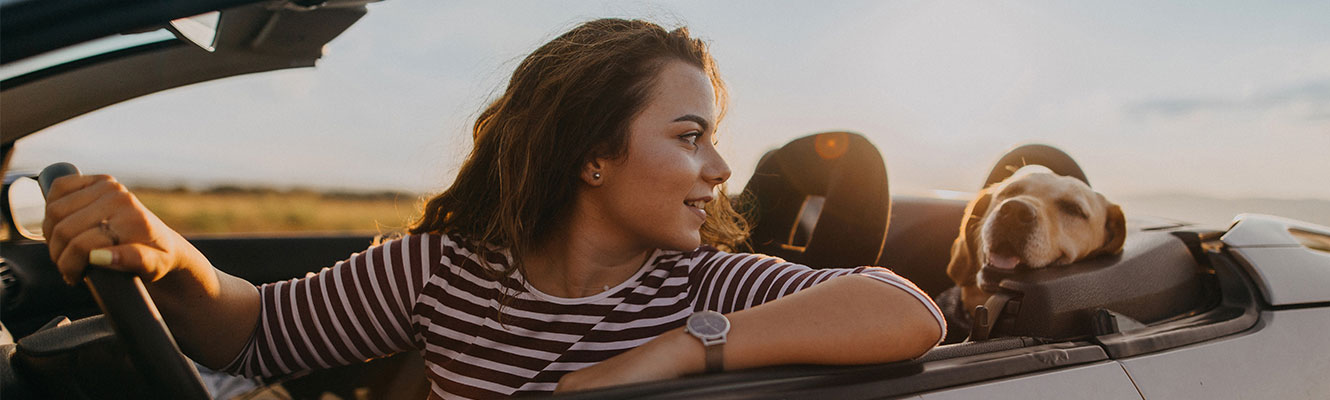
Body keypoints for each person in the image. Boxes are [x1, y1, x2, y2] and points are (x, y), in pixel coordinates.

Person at [42, 18, 945, 398]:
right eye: (688, 136)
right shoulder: (443, 269)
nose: (720, 167)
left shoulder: (701, 286)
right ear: (592, 154)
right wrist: (168, 251)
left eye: (710, 137)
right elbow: (250, 336)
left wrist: (672, 354)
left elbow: (908, 311)